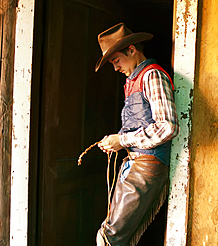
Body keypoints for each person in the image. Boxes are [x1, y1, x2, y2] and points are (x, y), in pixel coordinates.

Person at [94, 23, 179, 246]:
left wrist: (122, 140)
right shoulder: (132, 81)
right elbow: (139, 121)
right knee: (112, 235)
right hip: (135, 162)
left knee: (109, 237)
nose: (115, 68)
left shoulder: (152, 76)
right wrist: (115, 140)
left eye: (116, 61)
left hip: (148, 165)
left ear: (131, 50)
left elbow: (167, 126)